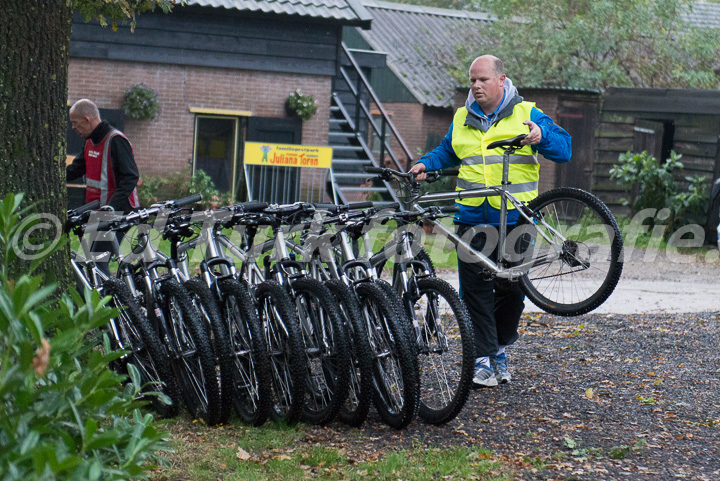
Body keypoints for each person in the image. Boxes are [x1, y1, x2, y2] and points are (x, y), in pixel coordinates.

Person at [409, 55, 571, 387]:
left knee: (513, 289)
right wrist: (427, 164)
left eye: (482, 79)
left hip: (518, 216)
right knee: (475, 290)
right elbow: (448, 151)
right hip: (471, 216)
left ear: (501, 80)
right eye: (472, 81)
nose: (476, 86)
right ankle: (482, 360)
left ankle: (498, 348)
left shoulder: (527, 114)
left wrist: (543, 136)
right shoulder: (461, 117)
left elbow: (564, 149)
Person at [67, 99, 140, 273]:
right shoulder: (90, 141)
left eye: (75, 123)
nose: (73, 128)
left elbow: (131, 177)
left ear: (87, 119)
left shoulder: (115, 140)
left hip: (118, 213)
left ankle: (106, 299)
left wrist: (111, 207)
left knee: (96, 261)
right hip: (98, 213)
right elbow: (76, 169)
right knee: (88, 261)